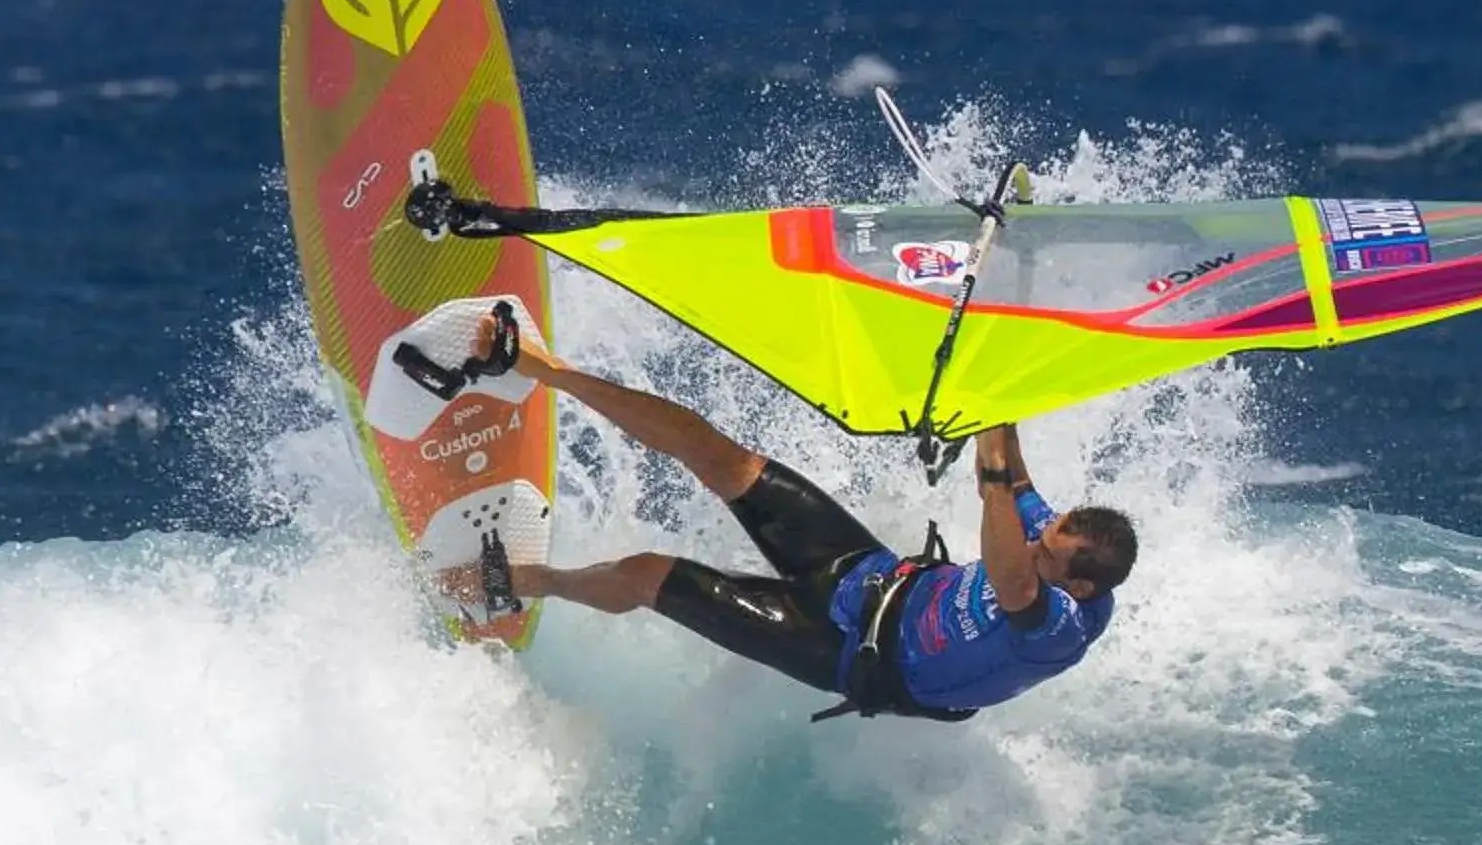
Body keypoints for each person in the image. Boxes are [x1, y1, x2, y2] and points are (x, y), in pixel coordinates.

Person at [467, 309, 1135, 721]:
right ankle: (547, 369)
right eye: (1040, 536)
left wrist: (992, 482)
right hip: (873, 576)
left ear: (1081, 586)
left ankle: (520, 584)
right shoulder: (1057, 545)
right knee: (723, 458)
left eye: (1045, 551)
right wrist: (994, 378)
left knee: (649, 576)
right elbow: (1012, 476)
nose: (1033, 544)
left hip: (845, 651)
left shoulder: (1058, 628)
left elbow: (1010, 564)